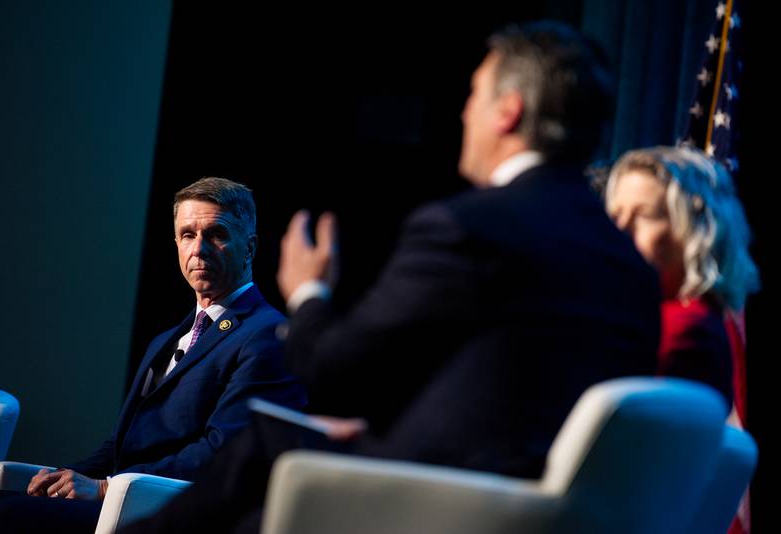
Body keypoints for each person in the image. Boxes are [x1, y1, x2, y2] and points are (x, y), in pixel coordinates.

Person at [120, 21, 661, 533]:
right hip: (548, 510)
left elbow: (333, 373)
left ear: (508, 112)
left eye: (473, 96)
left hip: (445, 500)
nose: (463, 115)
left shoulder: (467, 226)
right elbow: (511, 385)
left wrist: (309, 292)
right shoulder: (631, 267)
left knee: (268, 445)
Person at [0, 177, 306, 533]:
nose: (198, 249)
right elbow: (121, 445)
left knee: (4, 518)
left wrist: (105, 487)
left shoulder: (267, 335)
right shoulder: (167, 339)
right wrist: (70, 476)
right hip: (120, 498)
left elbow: (222, 452)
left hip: (169, 511)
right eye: (187, 235)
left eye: (216, 234)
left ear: (250, 247)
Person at [605, 146, 760, 403]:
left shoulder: (681, 330)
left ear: (698, 231)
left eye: (643, 214)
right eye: (616, 215)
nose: (621, 229)